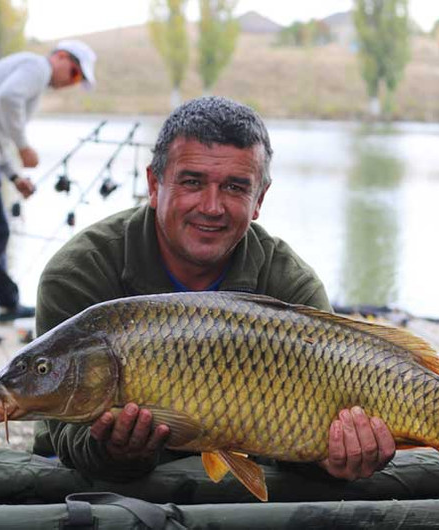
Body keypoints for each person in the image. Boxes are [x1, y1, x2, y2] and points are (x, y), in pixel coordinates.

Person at [31, 96, 396, 484]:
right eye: (192, 182)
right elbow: (64, 434)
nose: (211, 206)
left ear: (259, 200)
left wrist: (331, 458)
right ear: (154, 185)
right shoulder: (79, 272)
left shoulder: (292, 286)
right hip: (92, 479)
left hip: (245, 475)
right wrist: (113, 450)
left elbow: (309, 444)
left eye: (235, 187)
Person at [0, 40, 97, 344]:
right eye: (74, 73)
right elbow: (7, 98)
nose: (71, 82)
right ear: (61, 57)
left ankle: (7, 303)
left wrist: (14, 176)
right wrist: (24, 146)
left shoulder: (31, 74)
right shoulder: (36, 66)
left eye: (78, 80)